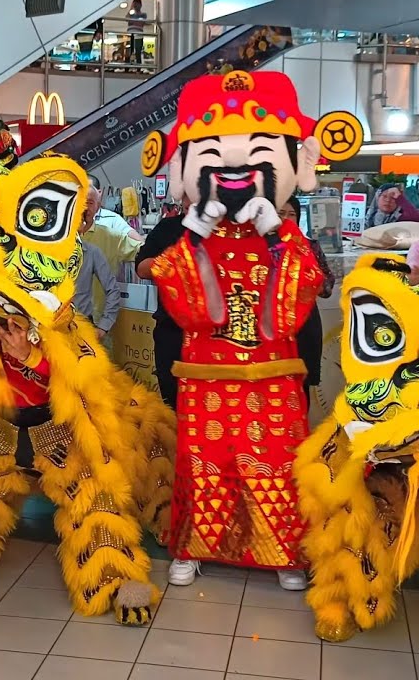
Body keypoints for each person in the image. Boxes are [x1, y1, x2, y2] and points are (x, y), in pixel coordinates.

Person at [141, 70, 326, 591]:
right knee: (204, 465)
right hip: (206, 374)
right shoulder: (192, 235)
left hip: (273, 375)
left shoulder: (285, 235)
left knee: (277, 465)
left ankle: (284, 553)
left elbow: (306, 287)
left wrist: (276, 235)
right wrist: (194, 237)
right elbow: (175, 292)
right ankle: (193, 547)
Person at [279, 199, 335, 395]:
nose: (286, 219)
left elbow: (327, 286)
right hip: (275, 324)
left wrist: (310, 281)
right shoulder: (262, 246)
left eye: (291, 214)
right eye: (280, 214)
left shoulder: (310, 246)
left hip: (305, 324)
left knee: (303, 386)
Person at [136, 206, 185, 408]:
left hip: (215, 338)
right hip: (171, 331)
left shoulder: (226, 229)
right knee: (171, 400)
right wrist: (174, 261)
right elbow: (141, 268)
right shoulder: (168, 228)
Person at [73, 192, 121, 339]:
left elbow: (113, 290)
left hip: (83, 327)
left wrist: (103, 327)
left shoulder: (92, 252)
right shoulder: (45, 254)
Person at [126, 0, 147, 65]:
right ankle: (128, 67)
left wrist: (132, 21)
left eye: (136, 4)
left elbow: (141, 23)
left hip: (139, 35)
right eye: (134, 4)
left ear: (140, 5)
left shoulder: (143, 14)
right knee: (129, 51)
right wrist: (131, 9)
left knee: (138, 51)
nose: (135, 6)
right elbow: (127, 19)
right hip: (130, 34)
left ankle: (138, 68)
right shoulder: (131, 14)